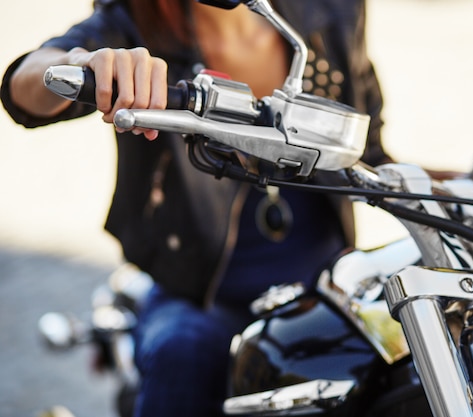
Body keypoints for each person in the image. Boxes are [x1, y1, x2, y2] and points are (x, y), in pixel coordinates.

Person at [1, 0, 391, 416]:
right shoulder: (133, 25)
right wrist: (85, 63)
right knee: (180, 353)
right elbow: (25, 88)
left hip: (322, 288)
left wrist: (465, 182)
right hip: (199, 294)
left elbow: (371, 156)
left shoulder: (333, 11)